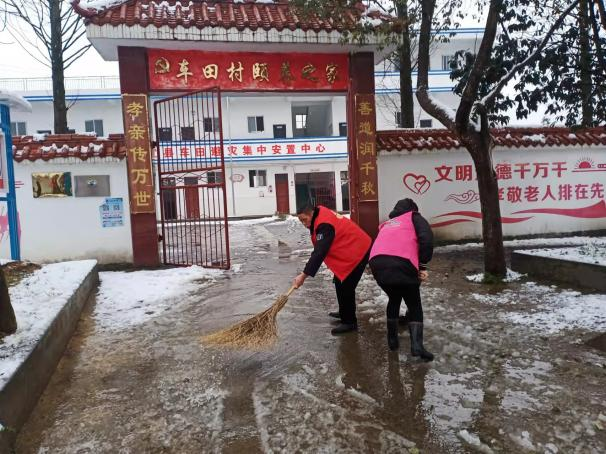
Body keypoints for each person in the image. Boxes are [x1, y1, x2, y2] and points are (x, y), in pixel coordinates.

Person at [368, 198, 434, 360]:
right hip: (402, 263)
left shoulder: (388, 223)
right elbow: (426, 238)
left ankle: (392, 340)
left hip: (377, 263)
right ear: (413, 209)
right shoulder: (414, 217)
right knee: (414, 303)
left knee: (394, 297)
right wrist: (423, 265)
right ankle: (417, 347)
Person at [293, 204, 371, 335]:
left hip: (358, 250)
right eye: (300, 221)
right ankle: (344, 313)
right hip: (349, 248)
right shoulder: (318, 214)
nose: (303, 224)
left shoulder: (324, 225)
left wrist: (304, 275)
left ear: (311, 214)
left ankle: (350, 322)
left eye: (304, 220)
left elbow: (320, 251)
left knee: (346, 286)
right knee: (339, 281)